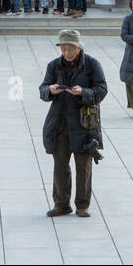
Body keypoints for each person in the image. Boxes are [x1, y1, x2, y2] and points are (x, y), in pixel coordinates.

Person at [39, 30, 108, 218]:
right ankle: (61, 204)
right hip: (60, 122)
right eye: (64, 49)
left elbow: (101, 89)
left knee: (83, 166)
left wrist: (83, 92)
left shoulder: (92, 65)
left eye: (71, 48)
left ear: (79, 48)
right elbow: (43, 88)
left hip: (84, 123)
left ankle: (82, 205)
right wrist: (50, 90)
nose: (67, 53)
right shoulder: (54, 66)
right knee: (60, 165)